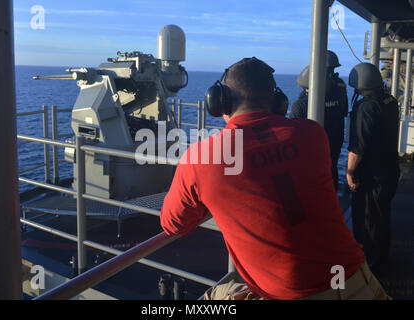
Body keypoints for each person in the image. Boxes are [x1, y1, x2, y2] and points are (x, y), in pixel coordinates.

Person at [160, 57, 390, 300]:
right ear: (278, 101)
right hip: (359, 284)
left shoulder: (203, 157)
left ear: (219, 102)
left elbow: (172, 224)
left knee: (213, 297)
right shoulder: (313, 134)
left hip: (292, 296)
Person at [347, 62, 400, 274]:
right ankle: (382, 256)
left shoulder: (366, 107)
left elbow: (358, 147)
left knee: (369, 218)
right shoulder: (390, 100)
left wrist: (350, 174)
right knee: (382, 215)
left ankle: (371, 264)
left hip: (372, 175)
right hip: (389, 169)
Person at [290, 51, 349, 189]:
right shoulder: (339, 86)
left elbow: (293, 132)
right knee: (331, 167)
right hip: (335, 136)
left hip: (315, 143)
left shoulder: (305, 101)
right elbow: (344, 110)